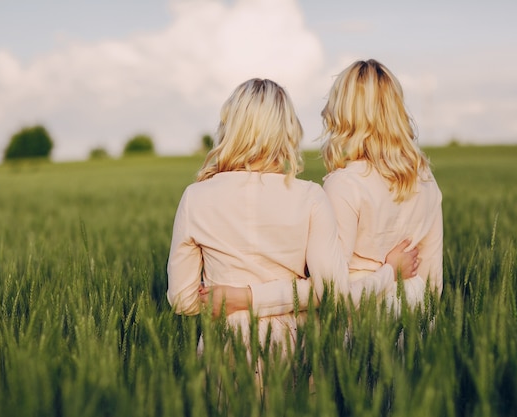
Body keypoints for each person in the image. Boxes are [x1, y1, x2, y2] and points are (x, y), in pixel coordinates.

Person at [167, 78, 418, 351]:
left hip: (224, 352)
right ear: (288, 131)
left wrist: (224, 297)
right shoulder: (310, 197)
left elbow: (182, 300)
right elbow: (331, 293)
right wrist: (390, 271)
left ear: (230, 129)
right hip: (295, 349)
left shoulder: (195, 197)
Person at [203, 59, 442, 316]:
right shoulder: (426, 182)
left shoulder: (346, 184)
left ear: (347, 113)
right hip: (418, 310)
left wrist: (246, 297)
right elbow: (433, 283)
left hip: (363, 315)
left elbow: (331, 292)